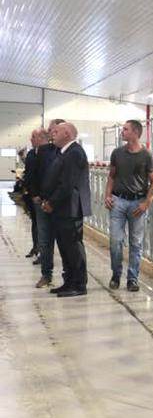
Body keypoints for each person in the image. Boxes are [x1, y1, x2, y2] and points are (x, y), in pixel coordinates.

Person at [40, 122, 93, 298]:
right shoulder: (65, 152)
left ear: (68, 134)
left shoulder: (74, 153)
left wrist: (51, 202)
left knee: (73, 247)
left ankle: (78, 284)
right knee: (65, 247)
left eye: (56, 132)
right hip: (62, 208)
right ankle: (69, 281)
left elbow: (67, 184)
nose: (52, 134)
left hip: (69, 208)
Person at [105, 119, 153, 291]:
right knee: (115, 241)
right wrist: (107, 195)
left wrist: (146, 203)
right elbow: (112, 176)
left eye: (125, 129)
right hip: (118, 201)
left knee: (136, 242)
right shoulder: (117, 153)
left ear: (135, 132)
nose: (122, 132)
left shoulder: (147, 156)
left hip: (137, 203)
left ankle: (132, 279)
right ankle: (116, 275)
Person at [31, 121, 62, 287]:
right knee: (45, 239)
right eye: (50, 131)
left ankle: (72, 278)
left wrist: (55, 200)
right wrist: (36, 195)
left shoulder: (69, 152)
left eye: (53, 130)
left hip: (62, 203)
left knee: (66, 241)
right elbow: (34, 174)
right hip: (43, 202)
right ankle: (46, 274)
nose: (51, 133)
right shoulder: (42, 151)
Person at [22, 129, 46, 258]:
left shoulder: (49, 153)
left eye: (33, 137)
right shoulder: (31, 154)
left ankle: (44, 252)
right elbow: (29, 173)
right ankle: (35, 247)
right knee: (35, 223)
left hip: (42, 196)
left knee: (44, 226)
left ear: (41, 138)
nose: (31, 139)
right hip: (32, 194)